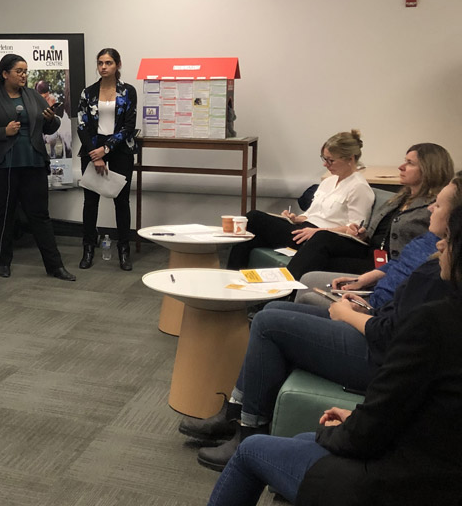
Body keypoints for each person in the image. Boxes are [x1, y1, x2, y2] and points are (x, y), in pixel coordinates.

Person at [181, 176, 461, 471]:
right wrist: (365, 297)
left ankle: (249, 430)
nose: (430, 208)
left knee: (268, 323)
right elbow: (400, 301)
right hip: (377, 324)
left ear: (456, 218)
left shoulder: (440, 274)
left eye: (438, 204)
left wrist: (349, 314)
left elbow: (395, 335)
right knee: (273, 311)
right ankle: (236, 412)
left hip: (380, 355)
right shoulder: (437, 252)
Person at [0, 53, 76, 281]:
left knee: (40, 216)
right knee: (4, 215)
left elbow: (49, 128)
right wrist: (3, 132)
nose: (24, 75)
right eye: (19, 71)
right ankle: (3, 261)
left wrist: (50, 119)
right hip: (2, 167)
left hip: (33, 163)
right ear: (4, 73)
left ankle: (55, 266)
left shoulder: (32, 96)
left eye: (25, 71)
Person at [285, 144, 452, 280]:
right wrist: (361, 233)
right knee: (322, 238)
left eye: (410, 163)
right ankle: (284, 287)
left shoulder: (435, 207)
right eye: (404, 161)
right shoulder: (399, 199)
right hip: (369, 251)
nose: (401, 167)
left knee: (319, 262)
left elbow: (426, 247)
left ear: (429, 169)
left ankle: (285, 291)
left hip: (389, 263)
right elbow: (373, 233)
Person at [227, 131, 374, 270]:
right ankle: (235, 276)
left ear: (350, 159)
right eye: (324, 159)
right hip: (304, 229)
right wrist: (296, 218)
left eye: (331, 160)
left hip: (323, 238)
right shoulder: (329, 181)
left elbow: (354, 230)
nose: (325, 165)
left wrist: (318, 232)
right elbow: (311, 214)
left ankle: (233, 272)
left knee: (254, 219)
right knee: (251, 234)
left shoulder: (359, 187)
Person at [76, 48, 137, 271]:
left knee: (121, 201)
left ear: (118, 65)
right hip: (92, 148)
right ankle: (88, 248)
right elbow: (82, 125)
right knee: (90, 202)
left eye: (109, 63)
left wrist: (107, 149)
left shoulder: (128, 91)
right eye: (100, 63)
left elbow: (129, 126)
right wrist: (96, 153)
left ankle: (123, 250)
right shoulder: (88, 92)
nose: (104, 67)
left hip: (119, 148)